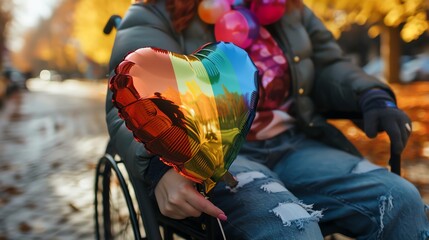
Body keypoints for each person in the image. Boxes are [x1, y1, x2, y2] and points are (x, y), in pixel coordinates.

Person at [105, 0, 429, 239]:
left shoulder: (290, 9)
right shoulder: (154, 14)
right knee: (291, 229)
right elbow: (133, 100)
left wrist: (369, 95)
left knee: (401, 200)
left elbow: (329, 65)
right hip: (217, 158)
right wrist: (162, 167)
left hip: (296, 145)